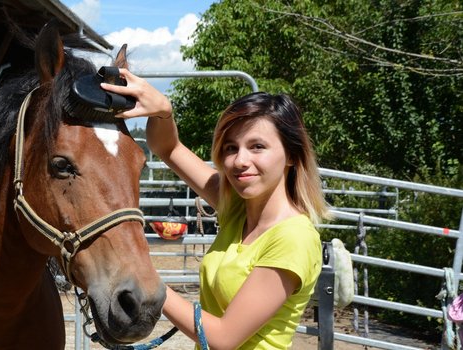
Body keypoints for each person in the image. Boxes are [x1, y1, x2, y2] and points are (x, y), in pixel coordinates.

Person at [102, 69, 331, 350]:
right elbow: (168, 147)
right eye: (231, 148)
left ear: (292, 156)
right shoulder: (237, 209)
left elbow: (222, 338)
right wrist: (164, 111)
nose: (239, 161)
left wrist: (146, 282)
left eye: (257, 146)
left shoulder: (293, 238)